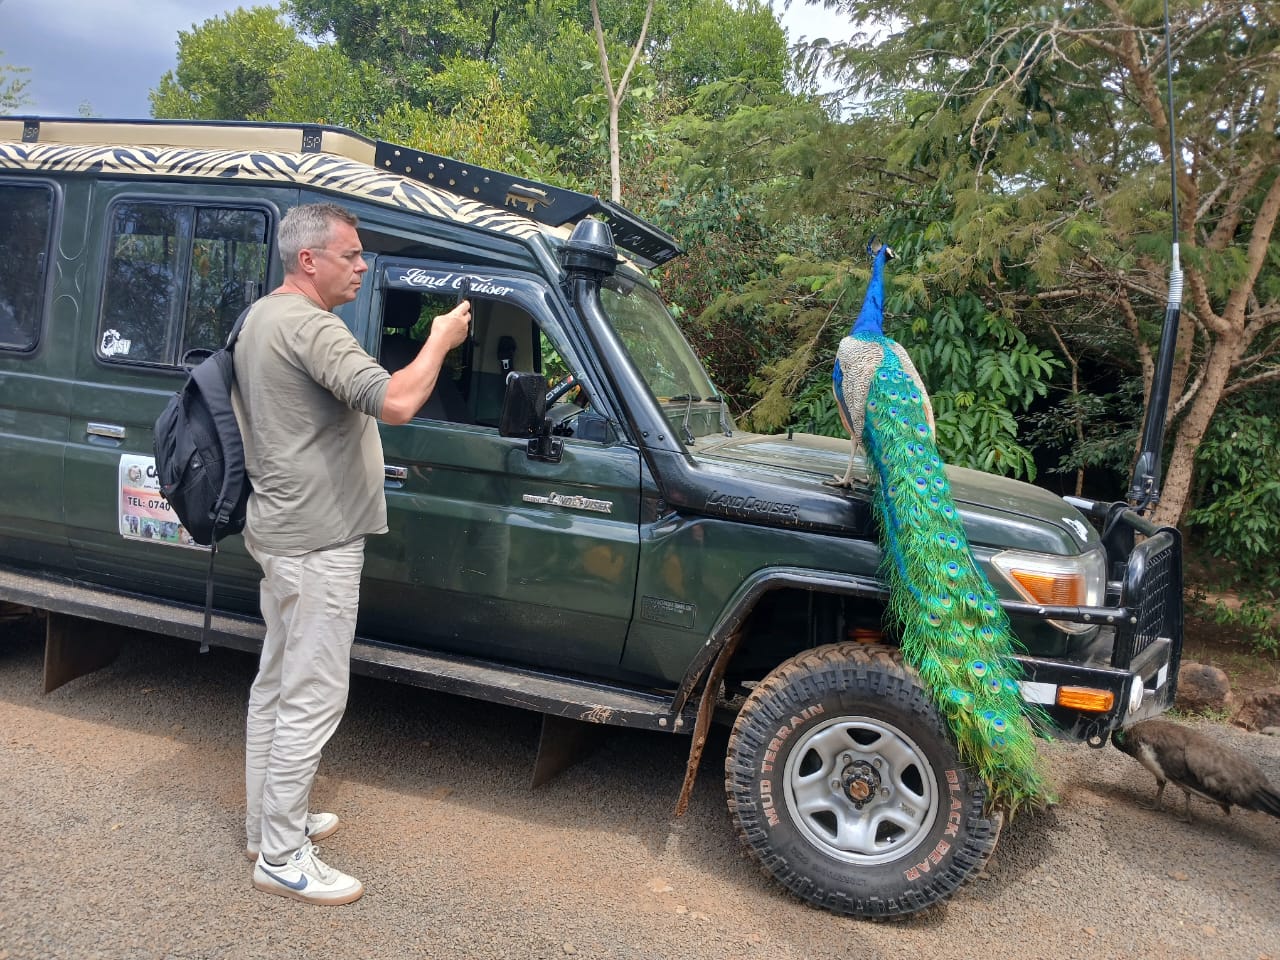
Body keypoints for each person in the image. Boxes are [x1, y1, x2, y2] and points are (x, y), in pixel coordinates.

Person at [232, 202, 470, 905]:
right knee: (311, 695)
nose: (363, 265)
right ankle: (281, 856)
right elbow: (395, 402)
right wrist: (439, 340)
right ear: (310, 260)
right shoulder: (310, 326)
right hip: (317, 542)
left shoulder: (262, 317)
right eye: (351, 254)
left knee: (277, 687)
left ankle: (266, 824)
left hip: (281, 534)